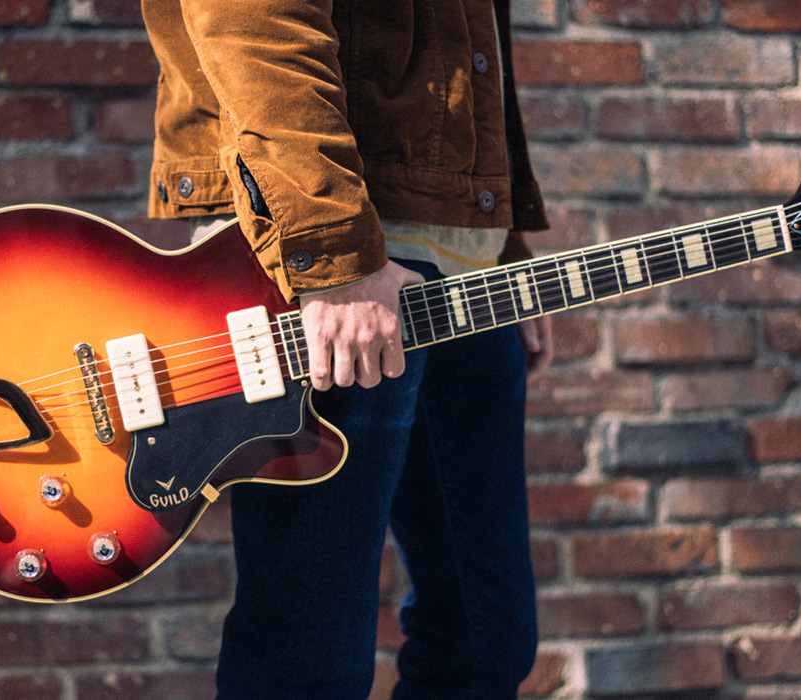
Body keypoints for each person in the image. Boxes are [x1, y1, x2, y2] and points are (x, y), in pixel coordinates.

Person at [141, 0, 553, 697]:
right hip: (331, 256)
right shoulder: (334, 255)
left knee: (486, 641)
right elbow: (255, 16)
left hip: (452, 257)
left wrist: (496, 239)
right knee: (308, 660)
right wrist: (333, 255)